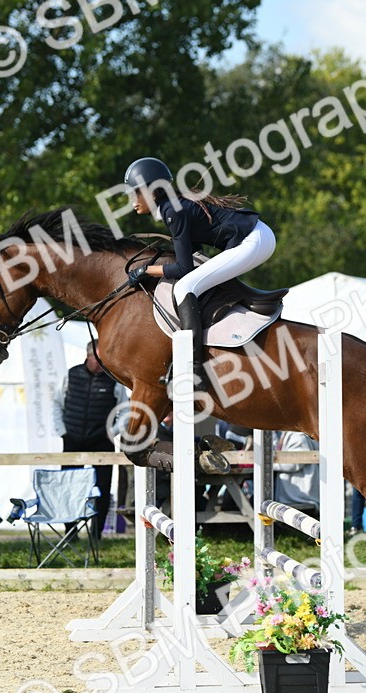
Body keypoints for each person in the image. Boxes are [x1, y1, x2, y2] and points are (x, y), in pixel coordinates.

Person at [123, 157, 276, 387]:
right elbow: (193, 254)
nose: (132, 200)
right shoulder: (171, 207)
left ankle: (194, 369)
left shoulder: (173, 210)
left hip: (254, 241)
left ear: (152, 191)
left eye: (136, 193)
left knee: (185, 286)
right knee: (196, 280)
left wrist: (146, 270)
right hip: (256, 237)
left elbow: (184, 269)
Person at [62, 341, 129, 538]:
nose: (101, 363)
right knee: (68, 486)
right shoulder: (70, 375)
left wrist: (111, 432)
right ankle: (70, 532)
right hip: (72, 439)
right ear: (88, 356)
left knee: (103, 487)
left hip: (101, 439)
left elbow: (125, 411)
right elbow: (56, 404)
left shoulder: (114, 379)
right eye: (98, 358)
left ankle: (96, 534)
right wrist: (62, 431)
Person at [273, 430, 319, 512]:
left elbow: (295, 463)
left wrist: (269, 466)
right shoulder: (287, 434)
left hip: (301, 497)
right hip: (295, 496)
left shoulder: (298, 436)